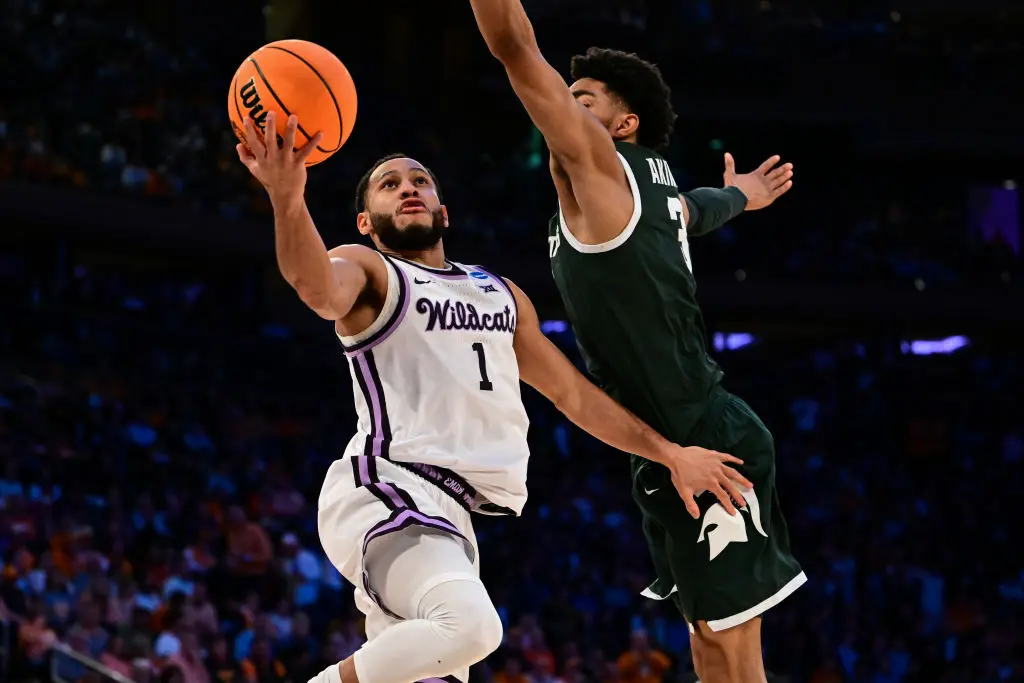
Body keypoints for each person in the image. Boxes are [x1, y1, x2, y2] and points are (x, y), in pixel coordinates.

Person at [234, 112, 751, 683]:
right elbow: (316, 288)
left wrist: (671, 454)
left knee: (438, 660)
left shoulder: (500, 293)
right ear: (366, 221)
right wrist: (288, 200)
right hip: (388, 487)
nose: (408, 187)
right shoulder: (369, 269)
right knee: (471, 628)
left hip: (453, 515)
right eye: (390, 184)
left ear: (443, 211)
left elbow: (573, 395)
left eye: (420, 181)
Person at [467, 2, 805, 681]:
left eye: (581, 98)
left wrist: (736, 197)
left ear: (622, 127)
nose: (564, 103)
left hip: (702, 439)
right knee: (710, 641)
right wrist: (741, 195)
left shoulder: (601, 170)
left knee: (734, 654)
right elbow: (697, 209)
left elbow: (512, 43)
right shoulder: (658, 191)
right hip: (673, 442)